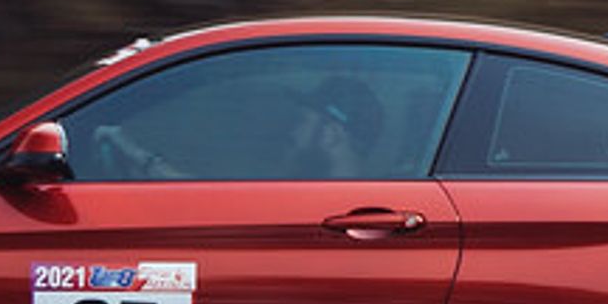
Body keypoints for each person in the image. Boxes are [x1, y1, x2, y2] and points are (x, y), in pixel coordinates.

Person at [90, 75, 386, 180]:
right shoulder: (332, 198)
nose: (290, 133)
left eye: (300, 123)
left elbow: (205, 208)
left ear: (331, 134)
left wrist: (137, 156)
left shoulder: (320, 205)